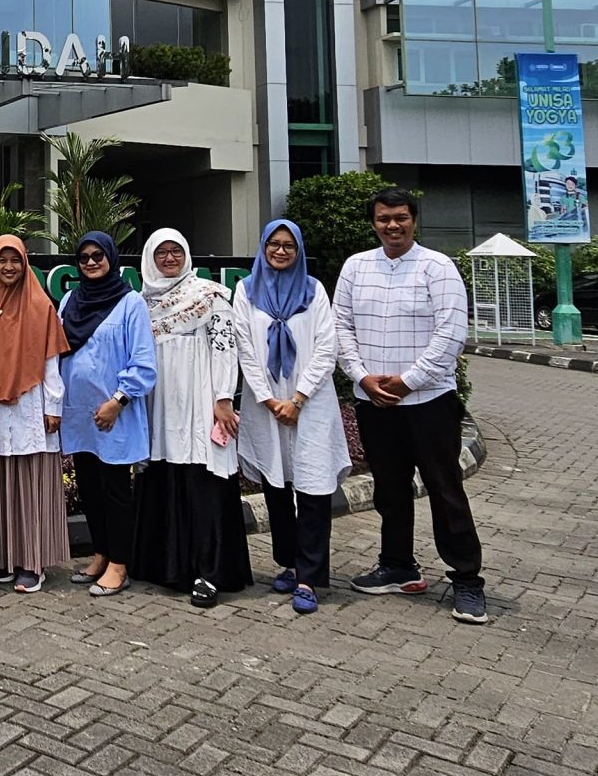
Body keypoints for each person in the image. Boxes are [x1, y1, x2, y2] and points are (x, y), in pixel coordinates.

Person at [332, 187, 489, 625]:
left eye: (400, 217)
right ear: (374, 222)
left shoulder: (436, 268)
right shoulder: (356, 267)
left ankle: (466, 581)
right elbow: (340, 326)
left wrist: (406, 382)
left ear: (414, 220)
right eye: (384, 218)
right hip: (373, 401)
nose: (392, 225)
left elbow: (451, 333)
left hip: (428, 402)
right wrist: (362, 376)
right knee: (389, 489)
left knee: (445, 489)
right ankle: (398, 566)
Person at [129, 228, 251, 609]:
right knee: (165, 479)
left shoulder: (209, 295)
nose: (168, 259)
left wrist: (223, 398)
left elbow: (224, 348)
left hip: (200, 403)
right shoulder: (138, 303)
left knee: (203, 482)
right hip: (158, 405)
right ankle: (165, 568)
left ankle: (209, 572)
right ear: (149, 258)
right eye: (161, 253)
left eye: (175, 251)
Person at [233, 219, 342, 615]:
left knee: (312, 490)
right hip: (267, 406)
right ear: (262, 248)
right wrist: (267, 398)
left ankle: (310, 577)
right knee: (276, 485)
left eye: (288, 246)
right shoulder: (245, 290)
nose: (280, 252)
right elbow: (244, 346)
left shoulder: (314, 291)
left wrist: (296, 398)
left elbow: (326, 348)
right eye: (273, 245)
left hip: (309, 402)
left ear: (299, 251)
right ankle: (290, 562)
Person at [57, 231, 154, 597]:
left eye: (99, 255)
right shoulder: (70, 299)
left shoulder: (131, 304)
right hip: (80, 416)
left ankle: (119, 563)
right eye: (84, 257)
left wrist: (117, 401)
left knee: (115, 491)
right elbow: (57, 348)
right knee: (90, 489)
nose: (92, 262)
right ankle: (100, 553)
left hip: (114, 415)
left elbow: (143, 363)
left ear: (112, 258)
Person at [0, 235, 67, 592]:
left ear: (25, 263)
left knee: (32, 483)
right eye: (2, 260)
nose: (9, 267)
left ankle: (33, 562)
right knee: (2, 481)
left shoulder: (40, 305)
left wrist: (54, 406)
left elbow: (51, 362)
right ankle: (5, 555)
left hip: (33, 404)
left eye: (15, 260)